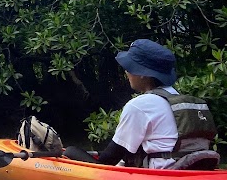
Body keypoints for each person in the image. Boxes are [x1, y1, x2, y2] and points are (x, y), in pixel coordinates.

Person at [66, 39, 216, 168]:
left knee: (70, 151)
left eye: (129, 67)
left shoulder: (140, 105)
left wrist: (72, 153)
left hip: (163, 177)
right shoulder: (181, 101)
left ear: (143, 73)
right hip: (190, 169)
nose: (126, 72)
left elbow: (108, 161)